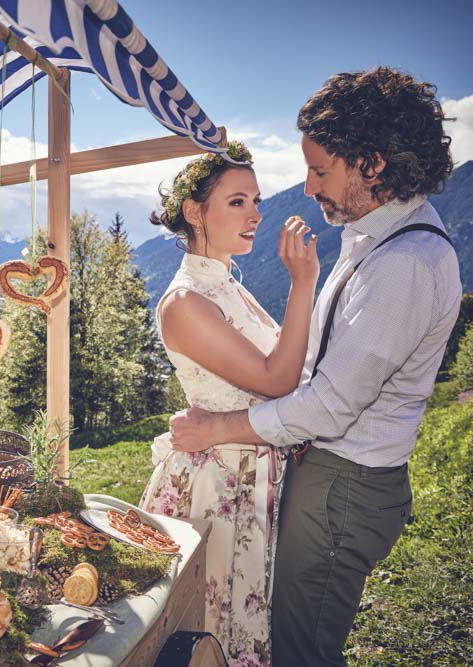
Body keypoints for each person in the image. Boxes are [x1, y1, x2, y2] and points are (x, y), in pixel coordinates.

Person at [169, 67, 461, 666]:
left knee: (303, 650)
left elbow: (329, 404)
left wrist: (217, 428)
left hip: (343, 488)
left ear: (372, 165)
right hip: (322, 477)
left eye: (321, 170)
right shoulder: (372, 236)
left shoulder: (404, 264)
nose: (307, 187)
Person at [138, 139, 319, 666]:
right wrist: (303, 282)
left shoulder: (228, 286)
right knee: (210, 629)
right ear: (195, 211)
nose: (256, 214)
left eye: (256, 201)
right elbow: (278, 379)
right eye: (238, 201)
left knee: (242, 625)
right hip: (216, 487)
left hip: (251, 474)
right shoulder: (186, 302)